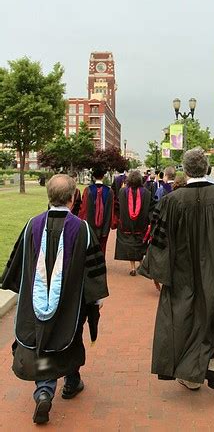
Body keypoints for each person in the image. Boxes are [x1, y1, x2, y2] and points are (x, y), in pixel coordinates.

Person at [1, 174, 108, 425]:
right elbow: (93, 269)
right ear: (73, 198)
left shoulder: (32, 225)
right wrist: (95, 299)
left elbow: (18, 264)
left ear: (49, 197)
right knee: (68, 334)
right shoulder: (82, 228)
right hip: (73, 301)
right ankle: (65, 384)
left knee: (43, 336)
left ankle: (47, 389)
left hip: (37, 300)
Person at [138, 148, 214, 391]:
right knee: (213, 316)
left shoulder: (171, 201)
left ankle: (190, 376)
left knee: (183, 319)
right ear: (206, 168)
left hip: (180, 272)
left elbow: (159, 239)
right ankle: (212, 368)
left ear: (184, 170)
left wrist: (159, 271)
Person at [115, 170, 154, 276]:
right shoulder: (147, 193)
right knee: (140, 244)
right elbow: (151, 209)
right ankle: (141, 264)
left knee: (129, 244)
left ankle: (132, 268)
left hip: (126, 223)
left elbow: (119, 206)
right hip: (141, 224)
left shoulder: (122, 192)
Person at [78, 167, 113, 256]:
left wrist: (81, 220)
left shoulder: (88, 190)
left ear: (93, 177)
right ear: (103, 177)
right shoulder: (109, 191)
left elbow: (83, 208)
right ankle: (101, 264)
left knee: (90, 244)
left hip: (90, 223)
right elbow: (111, 210)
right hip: (105, 224)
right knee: (102, 246)